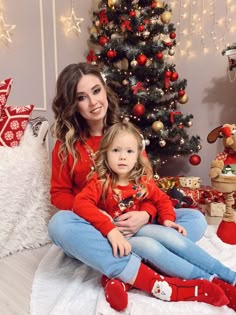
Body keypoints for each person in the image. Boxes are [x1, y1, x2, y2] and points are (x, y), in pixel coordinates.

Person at [47, 62, 235, 311]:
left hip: (136, 222)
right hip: (97, 224)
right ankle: (151, 274)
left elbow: (146, 184)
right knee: (59, 225)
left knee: (195, 220)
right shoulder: (66, 145)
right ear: (72, 104)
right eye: (82, 97)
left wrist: (145, 214)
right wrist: (100, 219)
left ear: (105, 90)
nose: (93, 102)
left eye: (96, 91)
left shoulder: (127, 136)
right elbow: (59, 195)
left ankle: (120, 274)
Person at [72, 120, 236, 311]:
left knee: (172, 235)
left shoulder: (142, 183)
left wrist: (168, 220)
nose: (122, 157)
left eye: (129, 151)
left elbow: (163, 201)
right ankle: (209, 281)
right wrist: (108, 228)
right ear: (106, 154)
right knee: (150, 246)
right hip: (123, 240)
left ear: (137, 156)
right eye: (116, 151)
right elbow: (80, 203)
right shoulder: (101, 183)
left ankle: (228, 276)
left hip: (146, 229)